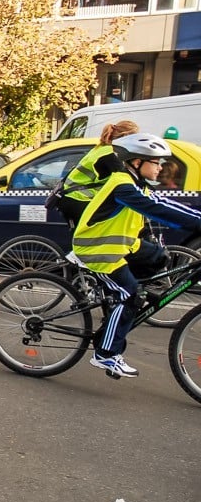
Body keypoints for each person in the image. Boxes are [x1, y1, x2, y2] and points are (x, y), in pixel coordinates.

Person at [72, 133, 201, 378]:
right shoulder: (123, 186)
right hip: (98, 250)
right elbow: (157, 210)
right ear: (137, 162)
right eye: (156, 162)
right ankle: (106, 354)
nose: (161, 167)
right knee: (131, 294)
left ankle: (119, 307)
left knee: (159, 257)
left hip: (123, 246)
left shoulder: (136, 183)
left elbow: (169, 204)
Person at [59, 120, 139, 227]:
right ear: (125, 136)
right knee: (102, 232)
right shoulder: (110, 154)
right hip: (79, 199)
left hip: (71, 198)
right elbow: (125, 179)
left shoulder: (102, 148)